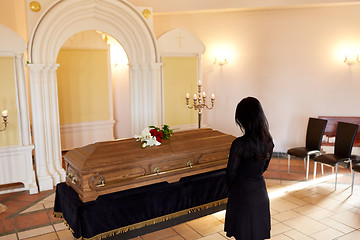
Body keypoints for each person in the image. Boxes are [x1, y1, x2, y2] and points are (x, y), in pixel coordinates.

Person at [224, 97, 274, 240]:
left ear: (243, 120)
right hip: (260, 192)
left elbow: (230, 174)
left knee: (242, 234)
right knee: (257, 234)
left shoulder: (239, 144)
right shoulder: (269, 142)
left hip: (242, 193)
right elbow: (264, 168)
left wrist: (234, 190)